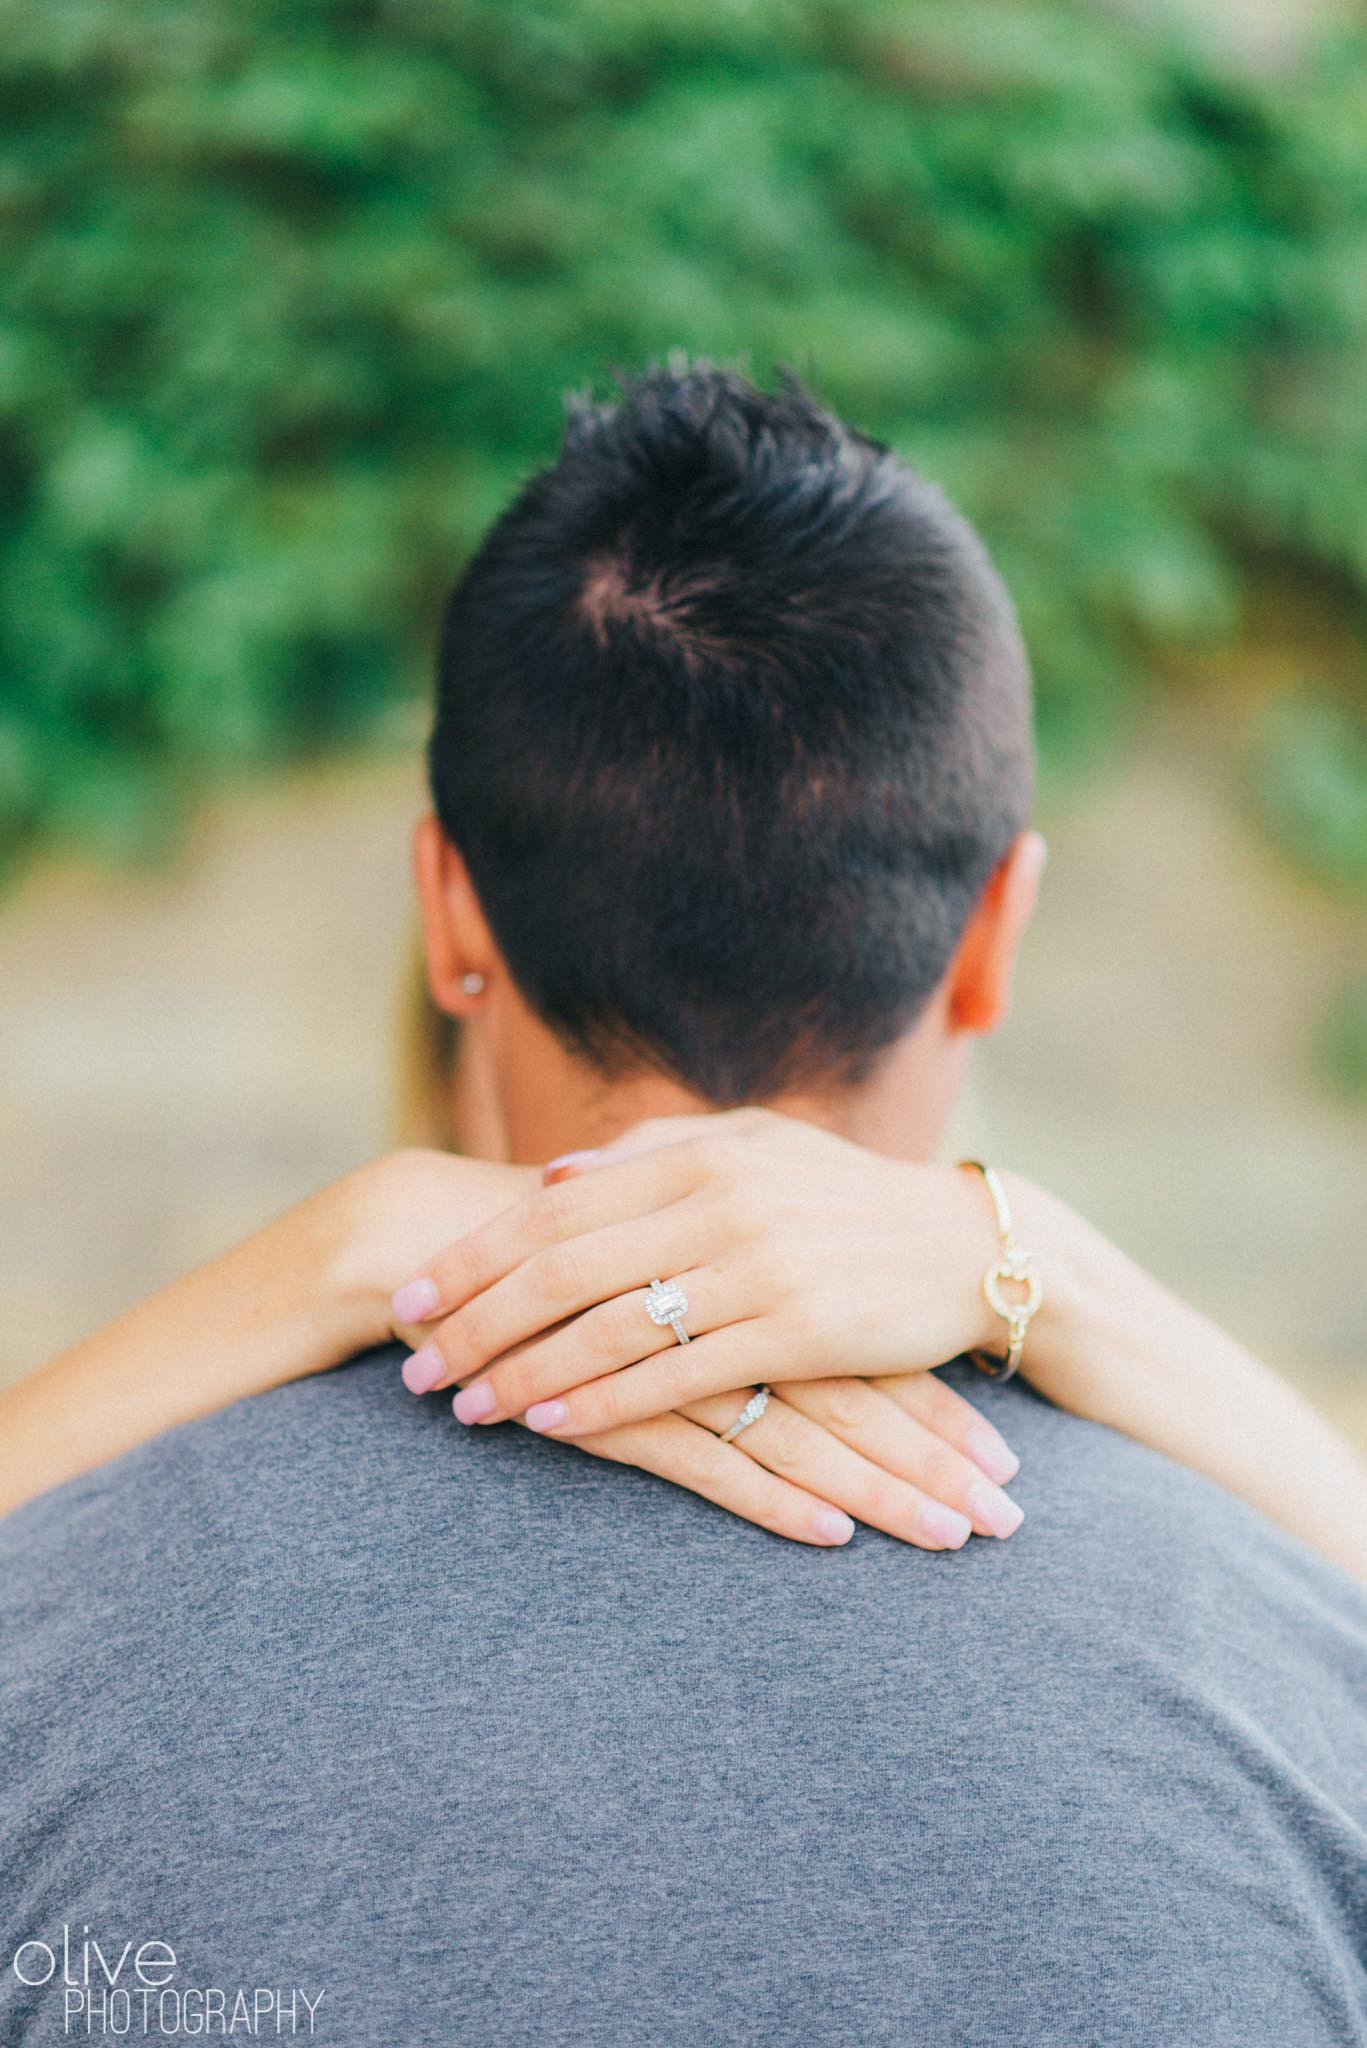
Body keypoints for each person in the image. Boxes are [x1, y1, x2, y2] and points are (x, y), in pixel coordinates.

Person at [2, 361, 1365, 2046]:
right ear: (999, 929)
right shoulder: (1306, 1680)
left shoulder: (50, 1643)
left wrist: (338, 1257)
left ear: (448, 909)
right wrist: (1041, 1265)